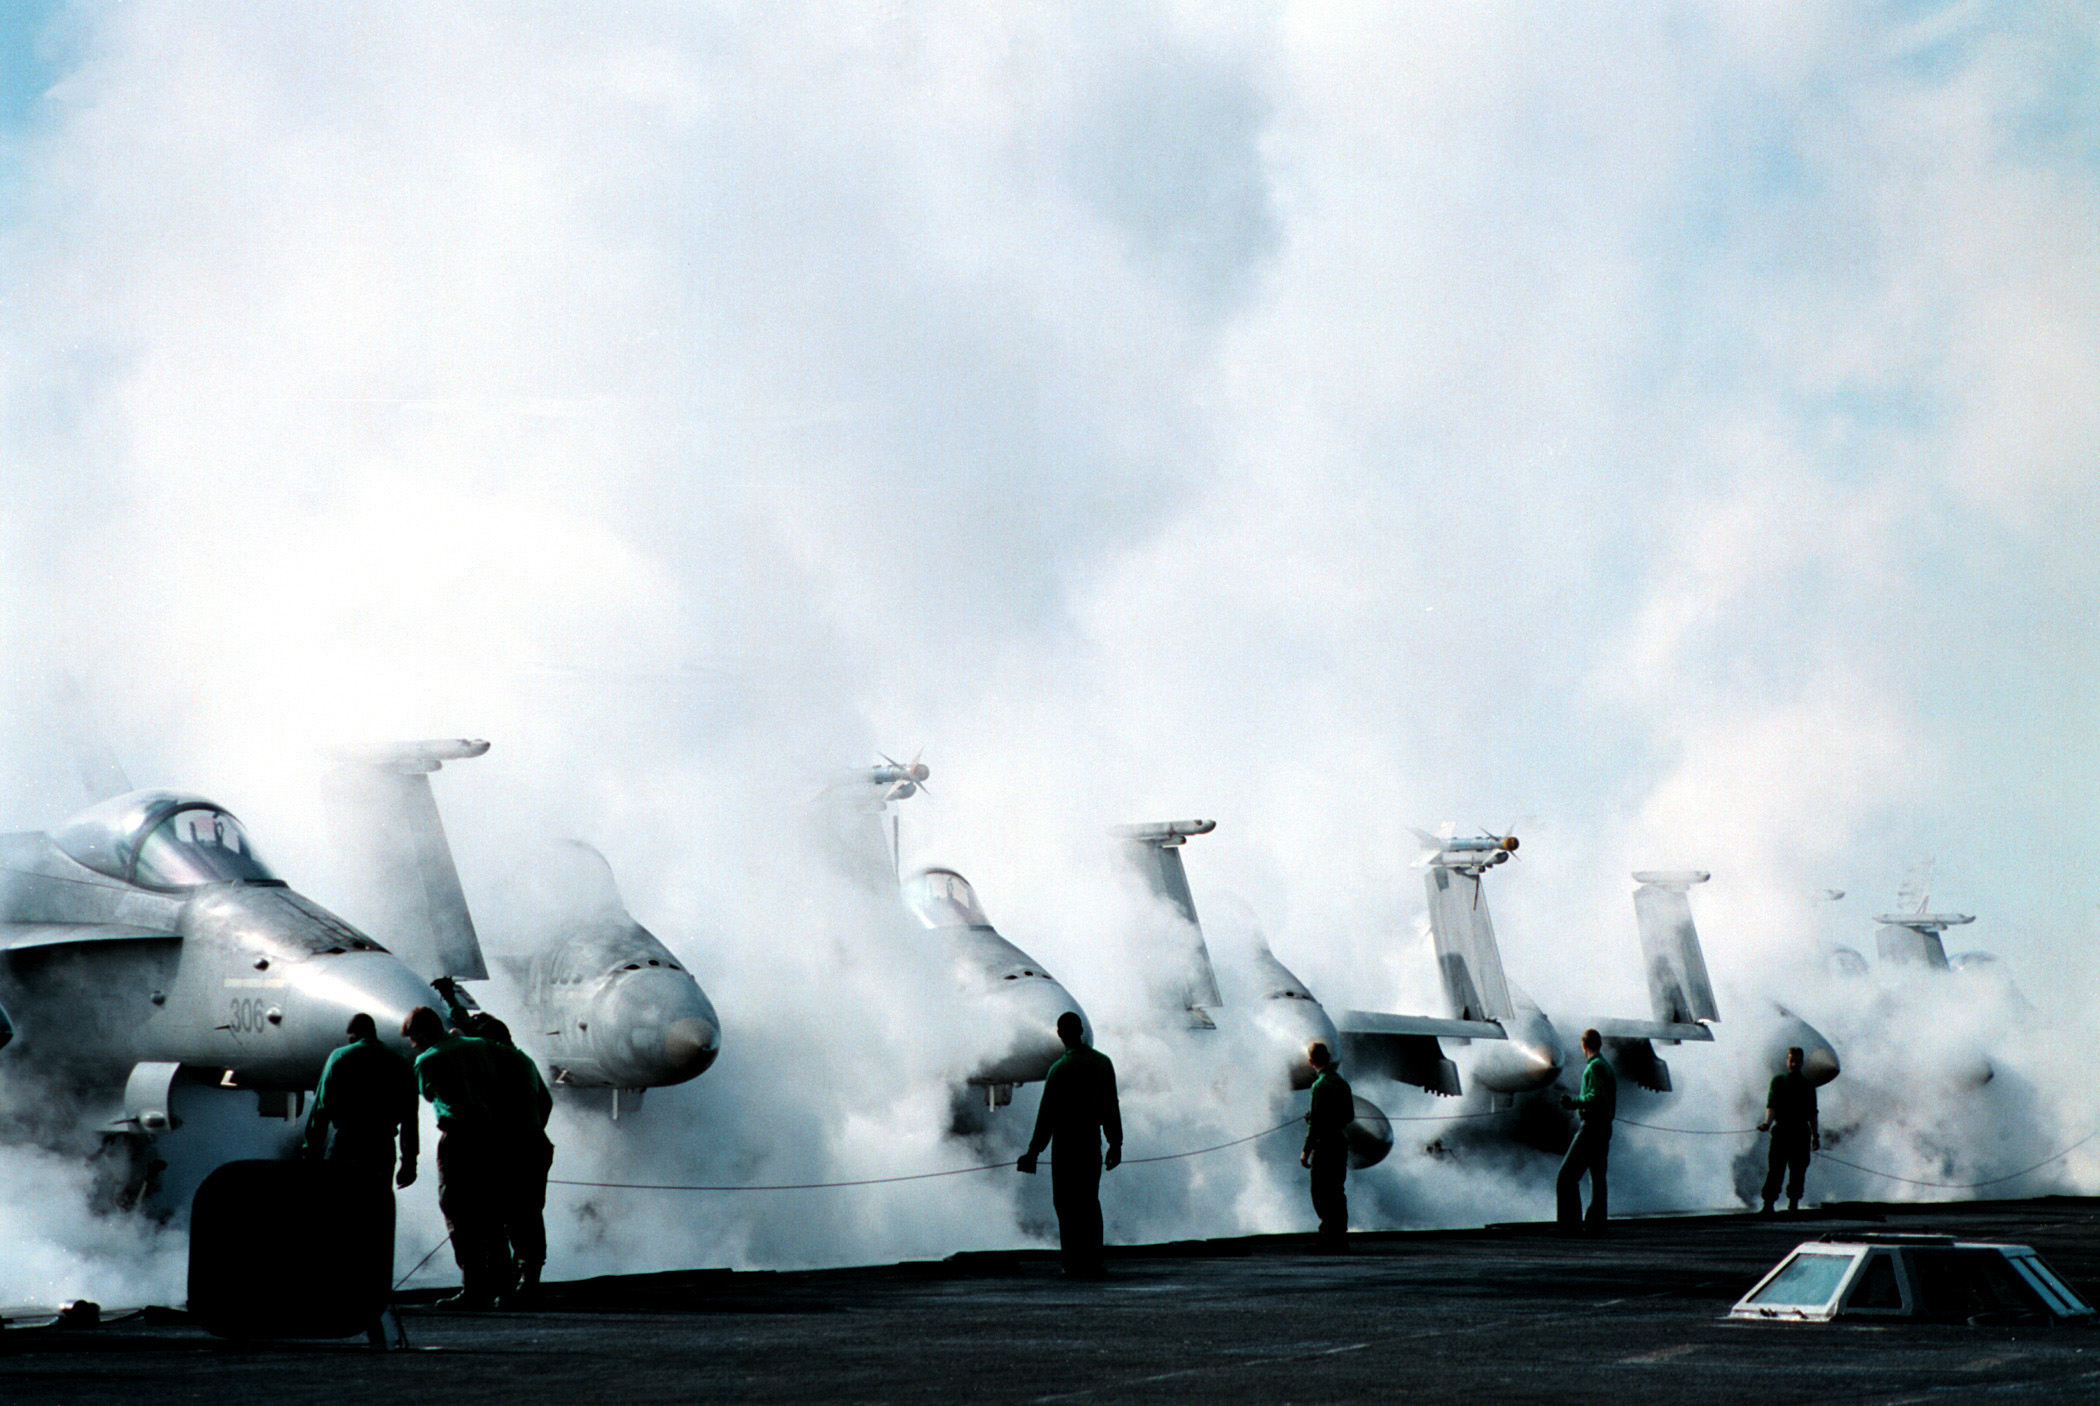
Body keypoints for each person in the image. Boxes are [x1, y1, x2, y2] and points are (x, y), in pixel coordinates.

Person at [403, 1004, 512, 1309]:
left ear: (423, 1033)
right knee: (491, 1213)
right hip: (491, 1135)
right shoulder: (478, 1046)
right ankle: (505, 1287)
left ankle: (474, 1288)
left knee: (458, 1212)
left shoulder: (427, 1059)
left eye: (414, 1038)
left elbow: (427, 1094)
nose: (414, 1045)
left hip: (458, 1139)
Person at [1017, 1012, 1121, 1277]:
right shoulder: (1103, 1064)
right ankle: (1093, 1261)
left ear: (1061, 1034)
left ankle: (1072, 1263)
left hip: (1064, 1148)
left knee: (1065, 1205)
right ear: (1082, 1031)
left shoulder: (1058, 1070)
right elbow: (1111, 1107)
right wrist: (1115, 1144)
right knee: (1089, 1203)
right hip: (1090, 1144)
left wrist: (1033, 1152)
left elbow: (1046, 1116)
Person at [474, 1013, 556, 1306]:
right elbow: (546, 1102)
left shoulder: (494, 1060)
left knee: (508, 1215)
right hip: (533, 1143)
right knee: (528, 1212)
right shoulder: (524, 1061)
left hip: (510, 1146)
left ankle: (513, 1282)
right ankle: (527, 1278)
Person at [300, 1012, 419, 1194]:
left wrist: (310, 1152)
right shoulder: (399, 1061)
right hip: (382, 1147)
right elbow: (410, 1116)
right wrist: (409, 1162)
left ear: (353, 1035)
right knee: (375, 1206)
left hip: (347, 1144)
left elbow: (321, 1109)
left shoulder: (339, 1056)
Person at [1556, 1028, 1616, 1231]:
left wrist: (1574, 1102)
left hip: (1591, 1127)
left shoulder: (1594, 1068)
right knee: (1598, 1177)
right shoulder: (1606, 1066)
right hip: (1605, 1127)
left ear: (1584, 1046)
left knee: (1566, 1177)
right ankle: (1596, 1223)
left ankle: (1569, 1225)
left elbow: (1594, 1097)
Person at [1300, 1042, 1353, 1251]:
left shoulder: (1319, 1086)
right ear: (1329, 1057)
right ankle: (1339, 1238)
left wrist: (1306, 1151)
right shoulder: (1342, 1083)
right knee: (1337, 1191)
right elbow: (1349, 1116)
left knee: (1320, 1191)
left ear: (1311, 1062)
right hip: (1340, 1143)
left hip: (1324, 1146)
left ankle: (1328, 1239)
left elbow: (1315, 1124)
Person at [1757, 1046, 1821, 1214]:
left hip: (1800, 1133)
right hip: (1782, 1133)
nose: (1794, 1064)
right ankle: (1768, 1204)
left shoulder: (1808, 1085)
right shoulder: (1778, 1081)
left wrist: (1816, 1135)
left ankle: (1793, 1203)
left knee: (1798, 1171)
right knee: (1775, 1170)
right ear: (1787, 1061)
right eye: (1792, 1060)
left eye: (1797, 1061)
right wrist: (1767, 1123)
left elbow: (1812, 1113)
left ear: (1802, 1063)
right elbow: (1771, 1105)